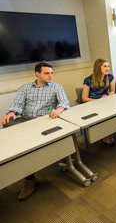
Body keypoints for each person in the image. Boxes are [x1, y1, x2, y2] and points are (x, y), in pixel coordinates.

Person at [1, 62, 70, 200]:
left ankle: (29, 174)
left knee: (23, 142)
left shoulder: (56, 87)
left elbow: (64, 102)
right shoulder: (25, 87)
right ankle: (25, 164)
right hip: (26, 120)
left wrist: (59, 109)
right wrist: (11, 112)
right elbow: (18, 104)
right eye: (46, 73)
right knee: (7, 121)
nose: (50, 75)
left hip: (44, 122)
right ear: (37, 73)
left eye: (51, 73)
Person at [82, 58, 116, 146]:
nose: (107, 68)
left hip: (105, 102)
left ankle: (109, 134)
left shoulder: (110, 77)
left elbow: (112, 91)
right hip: (92, 104)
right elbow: (84, 98)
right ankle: (105, 136)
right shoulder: (88, 80)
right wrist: (99, 101)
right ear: (98, 67)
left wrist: (108, 96)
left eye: (108, 66)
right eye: (105, 66)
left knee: (112, 113)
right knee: (105, 114)